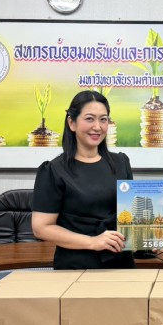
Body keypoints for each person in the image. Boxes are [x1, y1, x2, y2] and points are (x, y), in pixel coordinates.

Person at [31, 90, 136, 269]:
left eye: (103, 119)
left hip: (120, 264)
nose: (98, 127)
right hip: (76, 265)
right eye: (89, 119)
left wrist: (149, 241)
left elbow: (129, 218)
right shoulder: (53, 170)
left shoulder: (121, 163)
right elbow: (41, 228)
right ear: (72, 123)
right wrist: (92, 242)